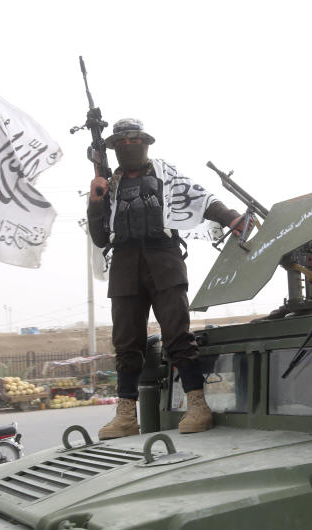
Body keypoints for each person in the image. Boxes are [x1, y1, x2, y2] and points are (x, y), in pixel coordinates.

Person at [87, 118, 246, 439]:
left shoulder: (166, 175)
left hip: (164, 258)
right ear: (113, 149)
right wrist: (95, 201)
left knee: (177, 334)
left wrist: (231, 217)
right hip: (125, 263)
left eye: (135, 140)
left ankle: (197, 405)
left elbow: (200, 198)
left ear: (145, 143)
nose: (129, 146)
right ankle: (126, 414)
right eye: (121, 143)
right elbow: (101, 237)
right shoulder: (108, 186)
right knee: (126, 342)